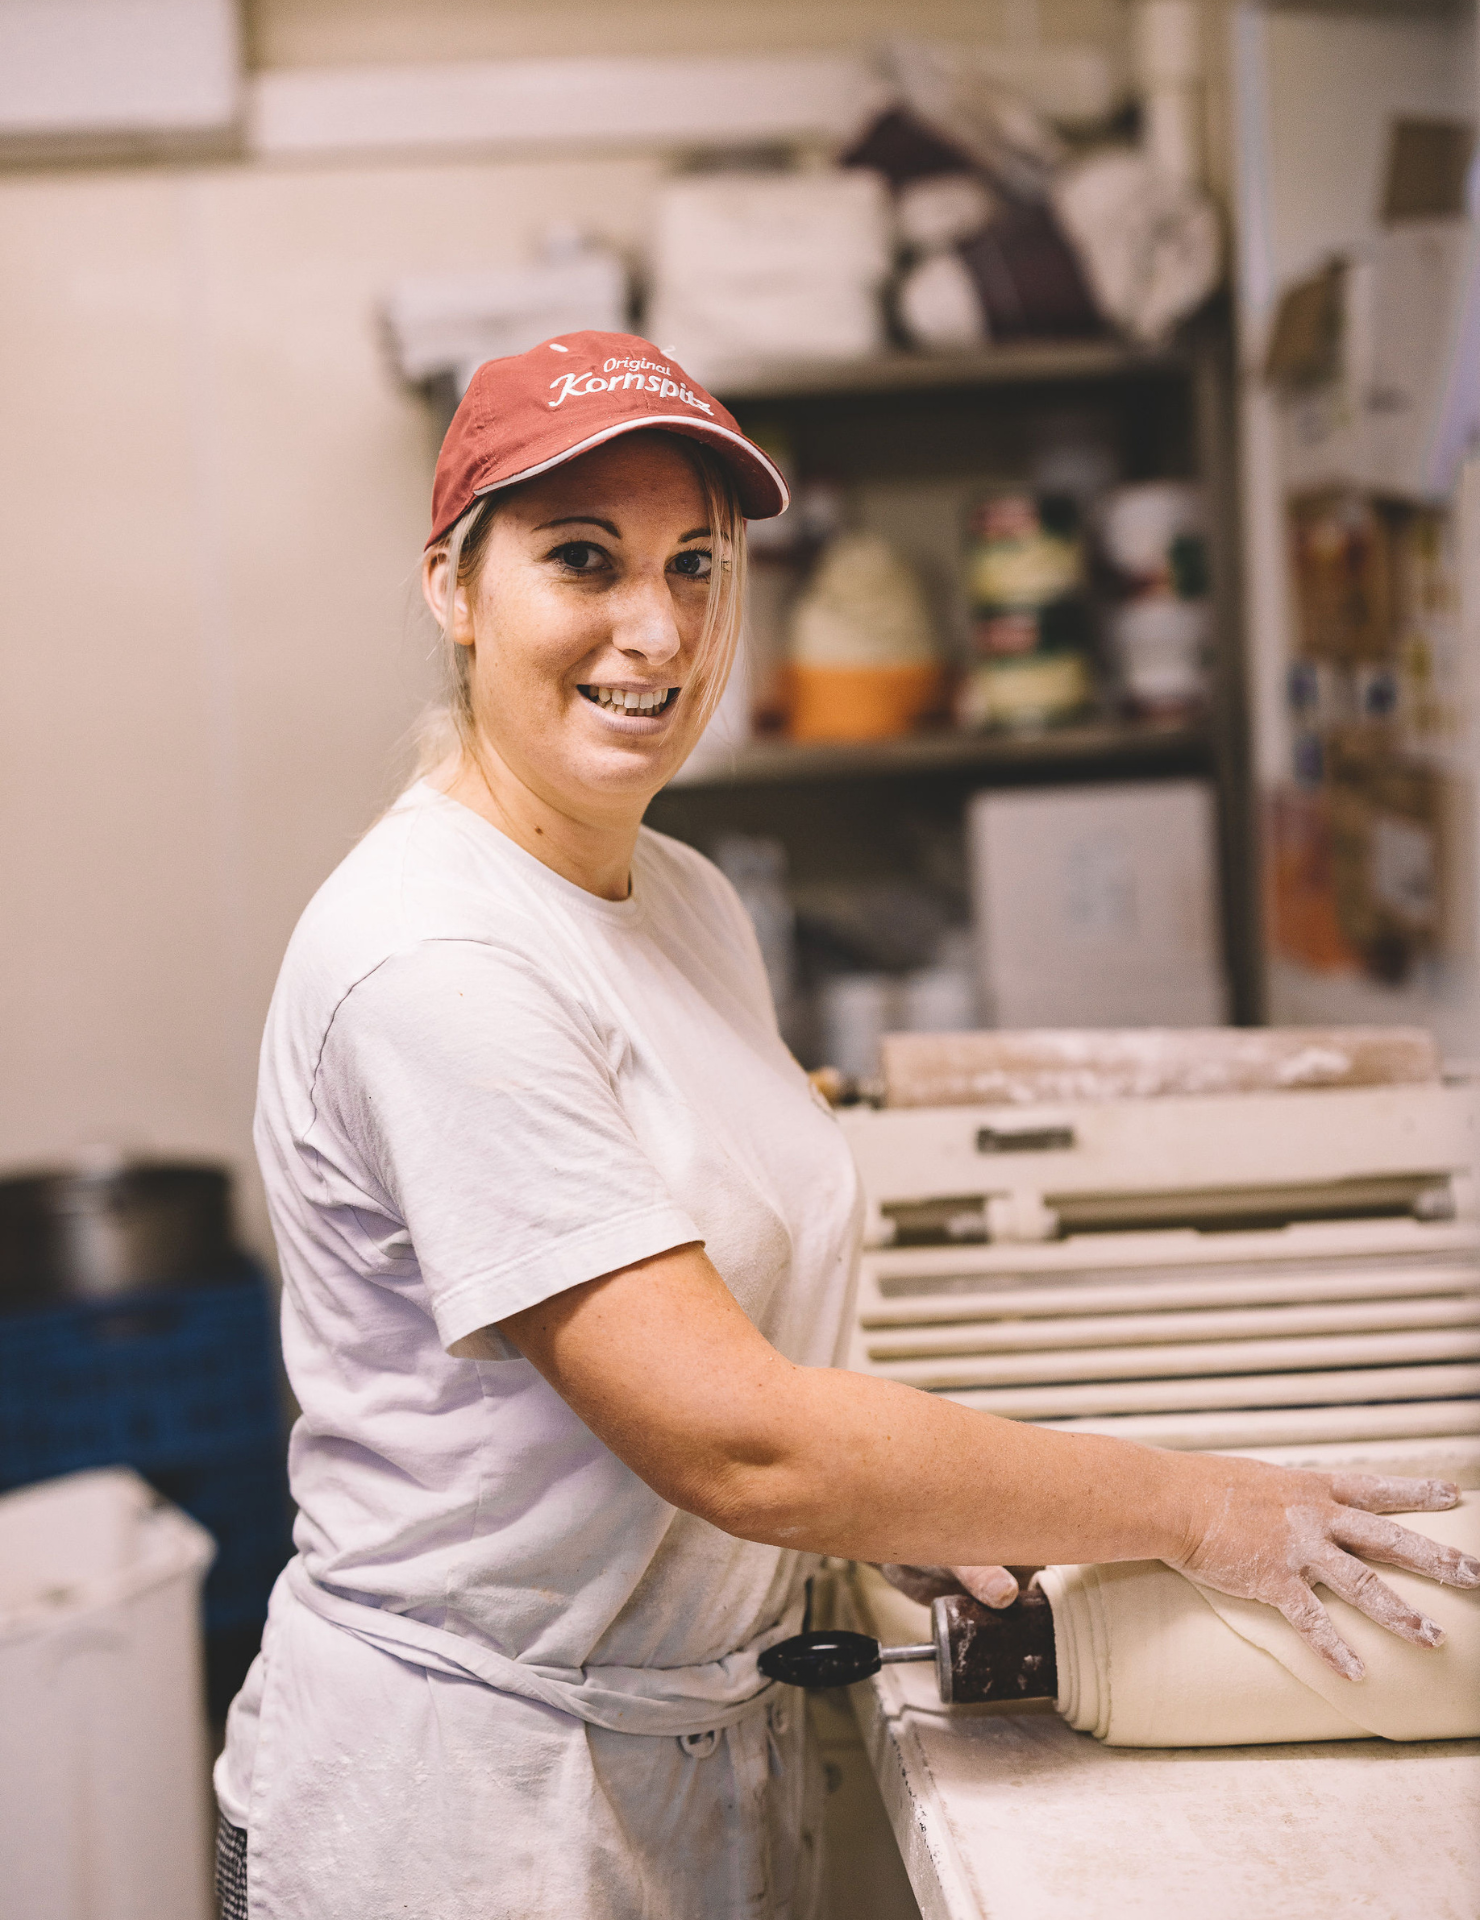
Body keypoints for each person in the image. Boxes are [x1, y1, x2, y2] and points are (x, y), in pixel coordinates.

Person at [213, 331, 1479, 1920]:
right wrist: (1203, 1504)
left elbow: (722, 1297)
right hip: (462, 1808)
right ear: (455, 588)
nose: (657, 629)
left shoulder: (677, 896)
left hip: (661, 1754)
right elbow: (740, 1436)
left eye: (699, 561)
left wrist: (937, 1503)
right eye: (583, 561)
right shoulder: (433, 958)